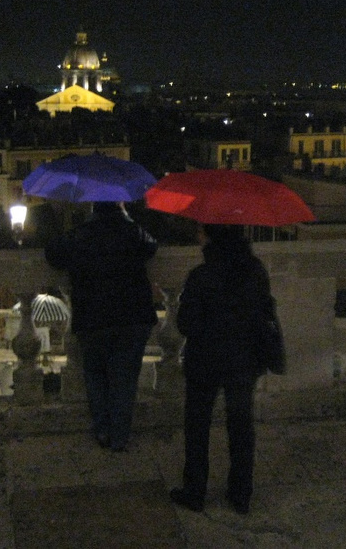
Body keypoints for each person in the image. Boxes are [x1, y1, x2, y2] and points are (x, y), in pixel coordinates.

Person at [170, 224, 276, 516]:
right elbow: (264, 313)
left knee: (197, 425)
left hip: (204, 360)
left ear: (211, 237)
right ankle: (241, 493)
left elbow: (185, 324)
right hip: (243, 359)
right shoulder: (255, 271)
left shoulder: (201, 276)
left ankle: (195, 491)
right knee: (241, 425)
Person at [45, 201, 157, 452]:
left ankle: (103, 430)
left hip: (92, 317)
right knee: (124, 379)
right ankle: (119, 435)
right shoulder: (132, 231)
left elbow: (53, 254)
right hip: (132, 316)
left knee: (95, 374)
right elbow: (152, 246)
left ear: (94, 207)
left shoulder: (80, 235)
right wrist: (128, 219)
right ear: (120, 205)